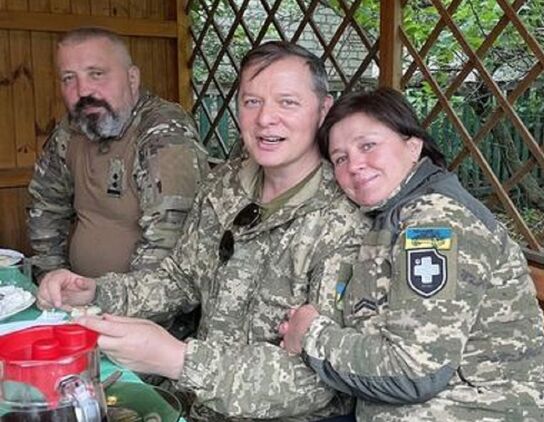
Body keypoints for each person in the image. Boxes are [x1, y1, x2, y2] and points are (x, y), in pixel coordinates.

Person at [37, 41, 369, 422]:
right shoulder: (224, 185)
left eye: (287, 102)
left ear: (323, 109)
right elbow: (180, 278)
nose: (265, 119)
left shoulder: (345, 218)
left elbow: (322, 379)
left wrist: (176, 358)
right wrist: (96, 292)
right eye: (252, 102)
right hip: (201, 408)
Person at [279, 87, 544, 421]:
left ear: (413, 146)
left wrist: (311, 335)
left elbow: (414, 371)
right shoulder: (391, 217)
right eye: (340, 158)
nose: (354, 165)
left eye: (367, 145)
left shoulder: (436, 223)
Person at [27, 27, 209, 280]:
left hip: (145, 300)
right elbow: (46, 206)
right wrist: (52, 276)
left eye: (96, 74)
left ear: (132, 78)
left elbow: (166, 248)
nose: (83, 91)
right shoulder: (72, 129)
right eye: (69, 78)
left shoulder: (164, 131)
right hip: (79, 294)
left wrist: (103, 298)